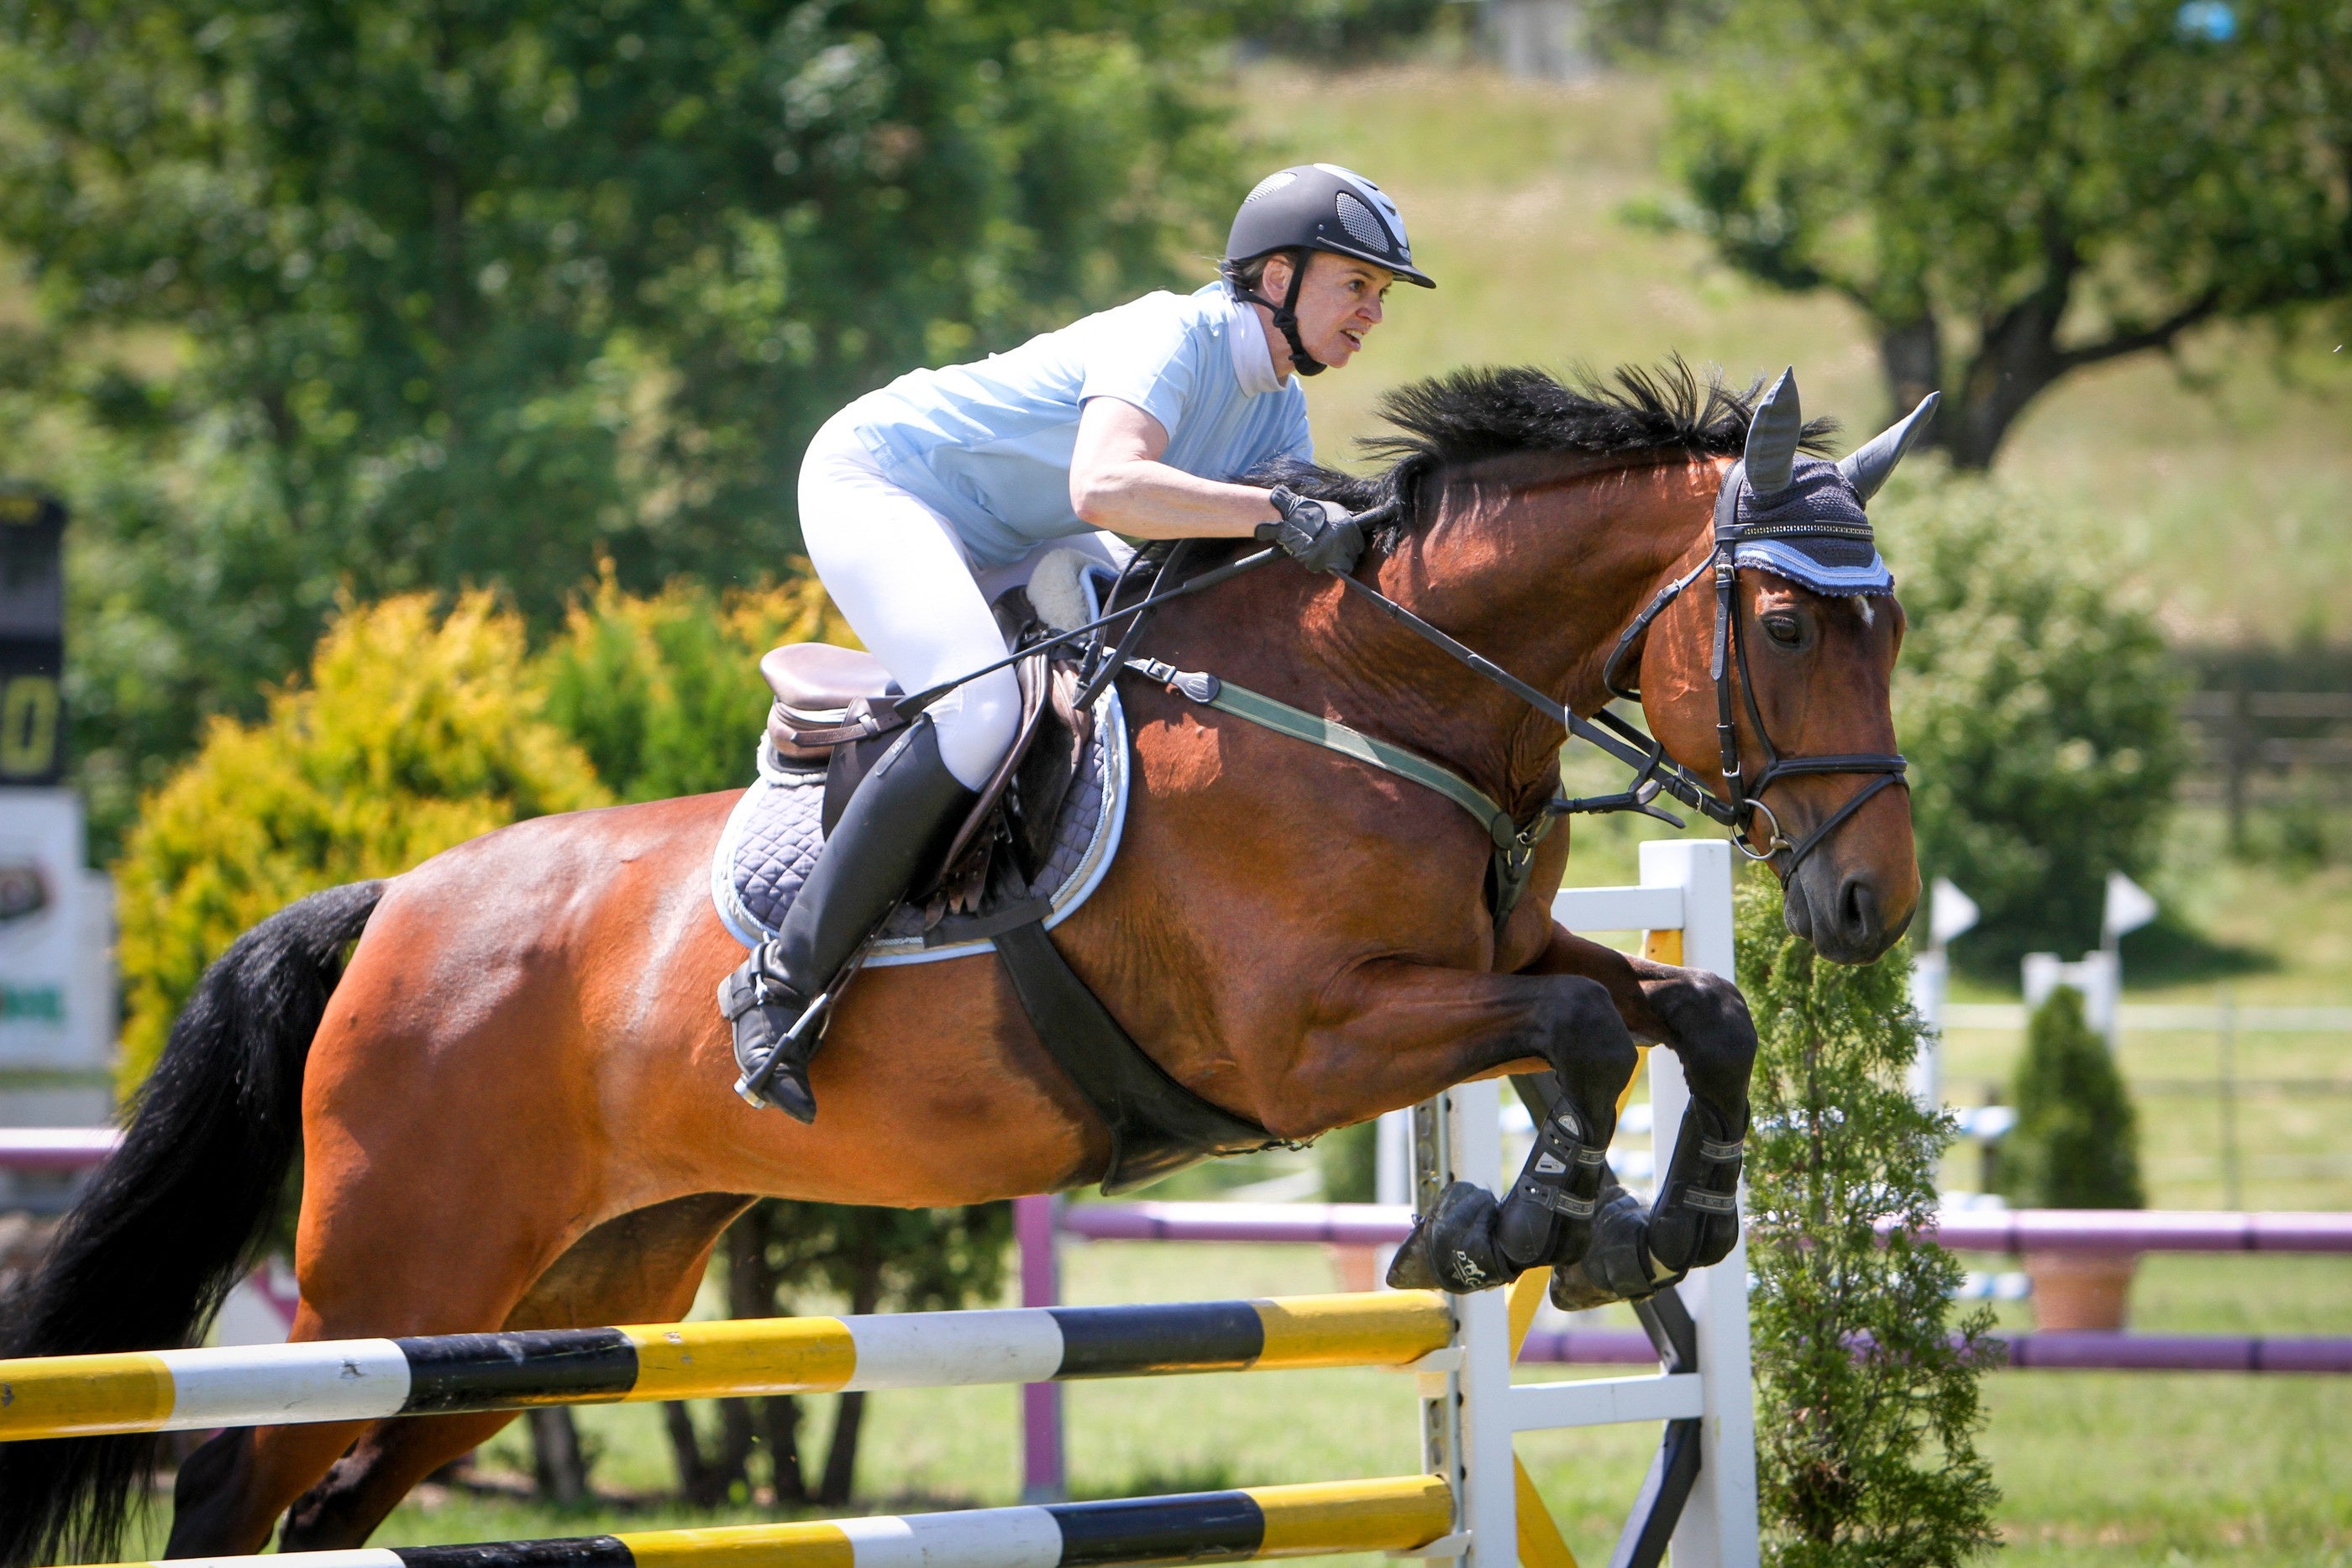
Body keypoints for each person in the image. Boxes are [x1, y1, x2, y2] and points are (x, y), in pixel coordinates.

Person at [722, 164, 1436, 1120]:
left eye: (1380, 294)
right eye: (1356, 285)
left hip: (1021, 536)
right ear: (1276, 277)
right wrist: (1277, 509)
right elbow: (1105, 487)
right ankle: (778, 979)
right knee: (979, 715)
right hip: (885, 485)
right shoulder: (1171, 333)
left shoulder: (1275, 404)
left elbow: (1258, 572)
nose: (1371, 313)